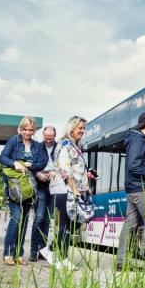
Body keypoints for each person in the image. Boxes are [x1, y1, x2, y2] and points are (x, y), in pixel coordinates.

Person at [116, 110, 145, 271]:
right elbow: (133, 166)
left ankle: (121, 261)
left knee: (130, 225)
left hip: (133, 188)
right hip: (140, 188)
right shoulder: (138, 140)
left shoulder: (139, 138)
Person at [0, 116, 46, 265]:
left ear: (34, 130)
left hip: (29, 188)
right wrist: (16, 163)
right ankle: (7, 253)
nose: (27, 132)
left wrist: (30, 165)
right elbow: (2, 158)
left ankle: (19, 254)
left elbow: (41, 163)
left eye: (31, 130)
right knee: (16, 218)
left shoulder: (37, 145)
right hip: (14, 187)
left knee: (25, 221)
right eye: (25, 129)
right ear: (21, 128)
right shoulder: (13, 141)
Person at [49, 116, 92, 271]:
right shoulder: (65, 144)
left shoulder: (74, 146)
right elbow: (65, 169)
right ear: (71, 128)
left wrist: (87, 175)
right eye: (80, 128)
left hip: (74, 189)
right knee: (66, 225)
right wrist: (74, 189)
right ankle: (59, 257)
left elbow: (75, 167)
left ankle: (55, 251)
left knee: (75, 221)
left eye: (83, 128)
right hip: (65, 190)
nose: (82, 131)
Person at [30, 125, 57, 262]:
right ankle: (33, 251)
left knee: (47, 220)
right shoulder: (37, 147)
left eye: (50, 139)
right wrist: (38, 173)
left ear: (54, 137)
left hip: (54, 184)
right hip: (40, 184)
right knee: (39, 217)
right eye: (46, 138)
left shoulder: (59, 148)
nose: (48, 141)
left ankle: (42, 251)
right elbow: (31, 165)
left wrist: (55, 173)